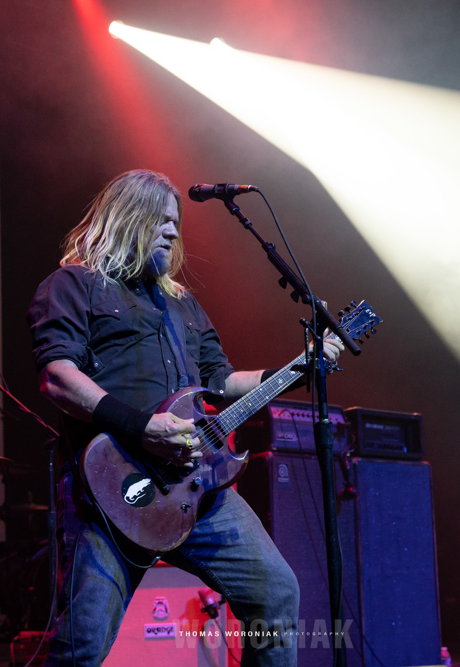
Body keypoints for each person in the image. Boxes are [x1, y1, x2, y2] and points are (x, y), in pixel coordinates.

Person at [28, 169, 343, 666]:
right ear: (129, 217)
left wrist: (298, 368)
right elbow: (58, 377)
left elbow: (221, 381)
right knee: (82, 646)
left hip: (196, 490)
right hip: (114, 490)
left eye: (176, 223)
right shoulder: (74, 285)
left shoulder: (183, 305)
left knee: (276, 593)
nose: (174, 232)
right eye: (163, 220)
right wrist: (142, 428)